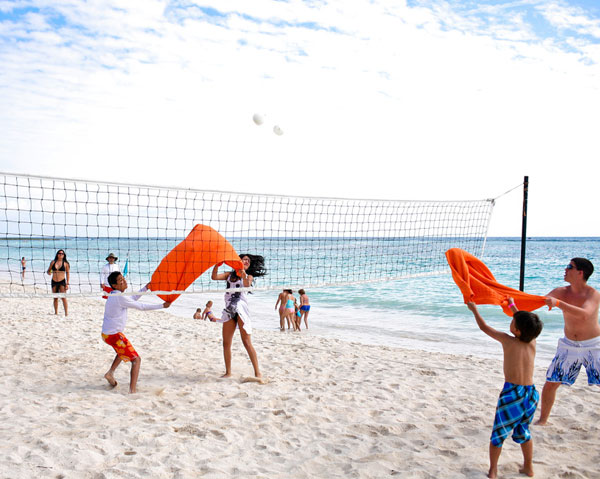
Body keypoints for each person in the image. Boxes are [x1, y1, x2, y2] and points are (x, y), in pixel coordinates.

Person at [467, 300, 543, 479]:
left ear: (516, 331)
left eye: (513, 321)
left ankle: (493, 471)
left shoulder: (508, 341)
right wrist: (512, 305)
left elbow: (484, 327)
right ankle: (528, 468)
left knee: (498, 434)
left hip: (512, 394)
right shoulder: (532, 340)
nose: (511, 321)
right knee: (524, 431)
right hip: (531, 394)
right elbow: (524, 323)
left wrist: (474, 310)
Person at [536, 258, 600, 426]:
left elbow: (585, 314)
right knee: (551, 383)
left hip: (594, 345)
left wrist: (558, 303)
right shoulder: (561, 291)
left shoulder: (593, 294)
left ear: (580, 273)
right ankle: (543, 420)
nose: (565, 269)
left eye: (570, 267)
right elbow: (537, 301)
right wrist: (509, 300)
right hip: (568, 345)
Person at [101, 271, 171, 394]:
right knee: (136, 360)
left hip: (106, 334)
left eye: (123, 278)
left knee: (122, 351)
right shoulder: (120, 297)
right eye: (121, 280)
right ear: (115, 285)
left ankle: (110, 373)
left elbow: (132, 299)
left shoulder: (114, 294)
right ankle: (132, 391)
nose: (124, 281)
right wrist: (162, 306)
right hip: (114, 335)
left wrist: (146, 288)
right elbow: (140, 306)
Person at [211, 254, 266, 380]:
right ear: (239, 261)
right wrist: (216, 265)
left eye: (248, 261)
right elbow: (214, 277)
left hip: (241, 310)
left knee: (246, 342)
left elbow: (246, 284)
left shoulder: (248, 276)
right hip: (229, 309)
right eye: (244, 259)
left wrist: (243, 274)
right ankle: (228, 372)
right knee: (226, 343)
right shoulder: (229, 275)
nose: (246, 261)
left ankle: (258, 373)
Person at [46, 249, 70, 316]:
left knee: (63, 297)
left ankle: (66, 313)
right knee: (55, 297)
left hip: (62, 281)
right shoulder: (53, 262)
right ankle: (56, 312)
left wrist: (67, 283)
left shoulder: (66, 264)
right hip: (54, 281)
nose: (61, 254)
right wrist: (49, 272)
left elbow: (68, 273)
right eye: (59, 253)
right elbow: (48, 270)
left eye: (62, 254)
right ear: (57, 254)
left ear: (64, 255)